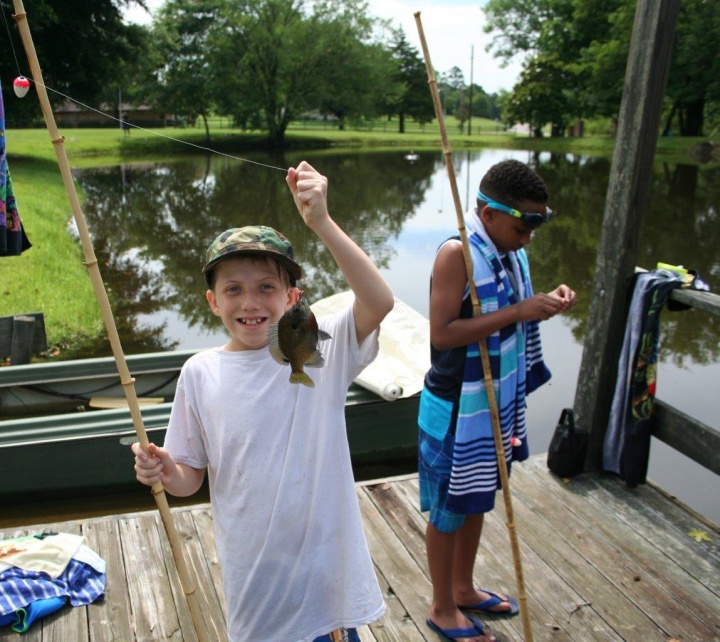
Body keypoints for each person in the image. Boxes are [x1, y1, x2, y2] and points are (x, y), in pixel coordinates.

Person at [131, 160, 393, 642]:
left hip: (326, 594)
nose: (250, 303)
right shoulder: (200, 374)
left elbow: (378, 302)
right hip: (256, 588)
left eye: (266, 288)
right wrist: (165, 470)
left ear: (293, 297)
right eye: (233, 289)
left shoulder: (317, 348)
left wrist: (322, 223)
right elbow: (190, 479)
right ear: (212, 301)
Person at [418, 159, 576, 642]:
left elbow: (511, 307)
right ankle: (443, 608)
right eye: (521, 225)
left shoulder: (510, 252)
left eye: (536, 225)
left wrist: (544, 303)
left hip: (492, 402)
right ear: (486, 213)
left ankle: (463, 589)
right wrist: (519, 312)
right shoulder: (457, 255)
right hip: (454, 408)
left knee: (476, 497)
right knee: (448, 510)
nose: (528, 237)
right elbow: (443, 335)